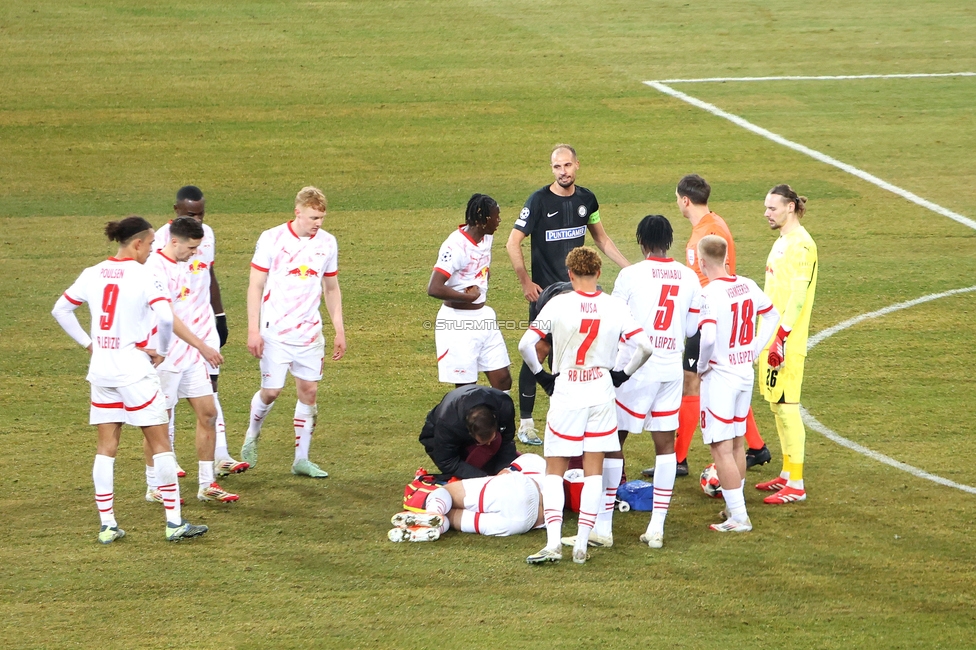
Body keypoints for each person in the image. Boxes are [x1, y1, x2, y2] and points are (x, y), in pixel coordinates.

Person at [51, 216, 208, 543]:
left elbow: (61, 310)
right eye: (151, 244)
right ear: (137, 243)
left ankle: (107, 525)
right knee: (160, 442)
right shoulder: (145, 275)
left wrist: (89, 344)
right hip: (134, 370)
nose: (152, 250)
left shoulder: (92, 273)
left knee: (106, 446)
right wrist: (162, 351)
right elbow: (165, 317)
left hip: (102, 369)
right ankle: (174, 522)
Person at [518, 247, 653, 564]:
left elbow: (526, 344)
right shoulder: (614, 306)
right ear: (599, 273)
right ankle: (581, 542)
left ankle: (553, 544)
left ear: (569, 274)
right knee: (594, 470)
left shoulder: (558, 303)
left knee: (555, 468)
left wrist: (543, 378)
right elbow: (645, 346)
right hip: (600, 390)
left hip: (567, 388)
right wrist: (621, 374)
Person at [642, 175, 770, 479]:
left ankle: (679, 458)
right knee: (716, 381)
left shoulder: (704, 234)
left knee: (692, 381)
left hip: (709, 316)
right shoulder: (715, 223)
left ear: (685, 200)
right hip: (721, 313)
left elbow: (704, 283)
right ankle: (757, 446)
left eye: (677, 198)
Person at [506, 144, 631, 446]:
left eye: (567, 166)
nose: (562, 172)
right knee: (539, 352)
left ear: (577, 165)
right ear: (552, 169)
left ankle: (565, 416)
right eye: (556, 167)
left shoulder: (587, 199)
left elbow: (601, 237)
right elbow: (513, 242)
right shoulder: (537, 201)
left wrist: (629, 268)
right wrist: (525, 281)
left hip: (579, 293)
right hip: (548, 294)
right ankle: (525, 423)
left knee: (576, 354)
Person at [608, 215, 702, 549]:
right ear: (669, 241)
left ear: (641, 241)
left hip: (632, 368)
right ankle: (657, 527)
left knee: (612, 440)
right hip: (669, 370)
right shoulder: (690, 277)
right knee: (665, 447)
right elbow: (692, 330)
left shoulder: (630, 275)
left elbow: (614, 322)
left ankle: (603, 524)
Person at [242, 186, 346, 477]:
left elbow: (331, 287)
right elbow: (256, 285)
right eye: (313, 217)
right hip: (274, 331)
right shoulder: (271, 238)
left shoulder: (327, 243)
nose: (318, 223)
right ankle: (252, 434)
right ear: (297, 212)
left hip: (310, 333)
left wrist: (339, 328)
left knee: (309, 392)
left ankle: (301, 459)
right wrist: (253, 330)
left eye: (322, 218)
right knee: (272, 391)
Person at [153, 186, 247, 477]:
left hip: (203, 326)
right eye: (191, 214)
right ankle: (168, 462)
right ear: (177, 211)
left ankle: (221, 455)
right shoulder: (160, 243)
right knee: (166, 400)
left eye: (202, 213)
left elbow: (209, 274)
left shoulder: (207, 235)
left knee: (209, 392)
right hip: (172, 332)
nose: (198, 219)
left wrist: (219, 315)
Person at [144, 217, 238, 504]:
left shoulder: (185, 264)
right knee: (159, 421)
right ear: (174, 242)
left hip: (190, 355)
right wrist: (203, 346)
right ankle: (155, 486)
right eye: (191, 247)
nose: (196, 252)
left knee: (208, 414)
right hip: (165, 355)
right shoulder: (155, 269)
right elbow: (168, 317)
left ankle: (207, 484)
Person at [695, 235, 779, 533]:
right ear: (726, 256)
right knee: (738, 442)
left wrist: (701, 367)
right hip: (744, 373)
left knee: (720, 448)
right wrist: (755, 348)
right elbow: (773, 315)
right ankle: (734, 507)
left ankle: (740, 518)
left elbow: (706, 338)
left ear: (702, 262)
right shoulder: (747, 284)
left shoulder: (709, 294)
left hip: (720, 377)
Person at [756, 185, 819, 504]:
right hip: (771, 338)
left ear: (791, 207)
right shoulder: (783, 242)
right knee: (776, 406)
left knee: (788, 407)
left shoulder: (803, 246)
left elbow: (798, 297)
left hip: (787, 343)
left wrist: (782, 338)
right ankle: (786, 472)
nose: (766, 213)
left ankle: (797, 484)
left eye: (772, 208)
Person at [427, 194, 511, 390]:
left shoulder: (486, 237)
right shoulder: (455, 246)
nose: (499, 221)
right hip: (458, 322)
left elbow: (481, 265)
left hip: (483, 317)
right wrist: (469, 297)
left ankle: (501, 421)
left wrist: (482, 279)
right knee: (466, 387)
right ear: (482, 221)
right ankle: (467, 420)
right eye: (495, 217)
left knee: (503, 379)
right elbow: (434, 288)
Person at [388, 454, 547, 542]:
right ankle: (426, 529)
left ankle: (432, 513)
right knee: (451, 517)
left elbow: (501, 476)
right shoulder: (558, 487)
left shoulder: (533, 460)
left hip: (519, 488)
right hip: (525, 523)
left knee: (447, 492)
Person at [418, 385, 519, 480]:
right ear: (470, 433)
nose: (489, 444)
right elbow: (447, 461)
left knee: (499, 467)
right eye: (482, 442)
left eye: (491, 439)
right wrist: (484, 478)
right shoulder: (447, 423)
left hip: (467, 419)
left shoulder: (504, 406)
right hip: (436, 434)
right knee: (470, 476)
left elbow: (507, 440)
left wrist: (504, 469)